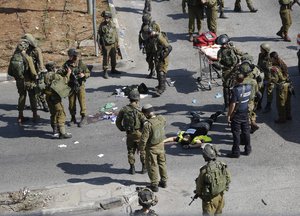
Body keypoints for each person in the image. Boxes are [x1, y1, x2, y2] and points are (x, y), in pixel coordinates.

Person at [8, 37, 40, 124]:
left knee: (22, 97)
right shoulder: (28, 57)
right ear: (26, 48)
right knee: (32, 97)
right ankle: (34, 115)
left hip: (19, 81)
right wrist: (36, 77)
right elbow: (33, 72)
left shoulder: (14, 56)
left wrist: (17, 77)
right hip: (29, 81)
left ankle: (20, 116)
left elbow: (10, 71)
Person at [194, 143, 231, 216]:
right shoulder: (221, 165)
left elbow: (199, 185)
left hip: (210, 200)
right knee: (218, 213)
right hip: (221, 196)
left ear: (205, 156)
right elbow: (229, 178)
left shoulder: (204, 170)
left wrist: (198, 193)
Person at [116, 89, 147, 175]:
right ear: (137, 99)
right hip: (139, 133)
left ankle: (132, 168)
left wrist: (122, 128)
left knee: (130, 151)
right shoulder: (139, 110)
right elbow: (145, 122)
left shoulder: (124, 109)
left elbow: (118, 122)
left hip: (129, 133)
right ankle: (144, 168)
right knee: (142, 150)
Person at [139, 104, 167, 192]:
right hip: (161, 145)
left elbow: (144, 140)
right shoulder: (161, 119)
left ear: (146, 114)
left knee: (152, 166)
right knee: (162, 163)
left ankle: (154, 185)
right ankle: (164, 181)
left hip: (152, 148)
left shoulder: (148, 125)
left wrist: (141, 149)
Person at [43, 62, 72, 139]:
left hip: (48, 97)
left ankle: (55, 130)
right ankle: (62, 132)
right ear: (52, 68)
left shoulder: (45, 75)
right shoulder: (55, 75)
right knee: (61, 113)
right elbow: (65, 80)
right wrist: (68, 73)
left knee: (53, 113)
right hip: (55, 98)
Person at [21, 33, 49, 113]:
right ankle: (35, 103)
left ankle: (44, 104)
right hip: (28, 71)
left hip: (36, 71)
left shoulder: (37, 49)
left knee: (38, 88)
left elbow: (40, 62)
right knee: (30, 88)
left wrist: (40, 72)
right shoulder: (27, 49)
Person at [63, 48, 90, 127]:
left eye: (73, 56)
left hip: (80, 85)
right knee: (71, 103)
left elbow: (88, 72)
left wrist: (84, 75)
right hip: (71, 86)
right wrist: (67, 73)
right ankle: (73, 118)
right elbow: (62, 74)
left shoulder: (81, 64)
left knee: (82, 102)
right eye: (71, 56)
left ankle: (83, 117)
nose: (72, 58)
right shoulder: (67, 64)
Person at [216, 34, 244, 111]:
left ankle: (238, 102)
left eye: (225, 44)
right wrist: (217, 65)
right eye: (222, 45)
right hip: (227, 70)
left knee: (238, 86)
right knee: (226, 88)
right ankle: (227, 104)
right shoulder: (220, 52)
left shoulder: (232, 48)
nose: (224, 46)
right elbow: (218, 62)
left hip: (236, 68)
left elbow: (241, 54)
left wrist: (244, 60)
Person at [142, 27, 172, 96]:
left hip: (163, 57)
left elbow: (169, 47)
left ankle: (161, 89)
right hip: (157, 57)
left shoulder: (159, 37)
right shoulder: (150, 38)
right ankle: (161, 85)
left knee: (161, 72)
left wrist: (163, 56)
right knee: (158, 72)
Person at [227, 73, 252, 158]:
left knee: (236, 133)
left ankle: (236, 152)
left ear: (235, 80)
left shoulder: (235, 90)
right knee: (246, 131)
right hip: (245, 112)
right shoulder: (248, 87)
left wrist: (229, 115)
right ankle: (248, 149)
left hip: (237, 114)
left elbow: (233, 104)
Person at [238, 61, 261, 133]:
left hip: (242, 102)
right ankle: (253, 122)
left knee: (244, 116)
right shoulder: (253, 81)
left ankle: (247, 128)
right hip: (251, 101)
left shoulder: (239, 81)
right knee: (251, 112)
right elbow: (258, 93)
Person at [269, 52, 292, 123]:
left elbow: (275, 79)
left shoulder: (274, 68)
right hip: (288, 85)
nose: (270, 59)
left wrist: (270, 80)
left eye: (270, 58)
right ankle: (288, 115)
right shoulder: (282, 62)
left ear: (273, 58)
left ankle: (282, 118)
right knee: (287, 101)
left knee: (280, 103)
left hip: (281, 87)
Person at [97, 11, 120, 79]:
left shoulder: (113, 24)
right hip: (106, 45)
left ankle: (113, 69)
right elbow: (99, 36)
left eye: (108, 18)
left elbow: (115, 33)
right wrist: (100, 45)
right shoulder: (102, 25)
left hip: (113, 44)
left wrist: (117, 42)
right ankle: (105, 71)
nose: (106, 19)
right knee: (105, 58)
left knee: (113, 57)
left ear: (110, 18)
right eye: (105, 18)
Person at [138, 13, 161, 78]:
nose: (145, 23)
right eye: (144, 21)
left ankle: (159, 74)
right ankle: (151, 71)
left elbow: (159, 34)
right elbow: (141, 35)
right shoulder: (143, 25)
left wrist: (155, 33)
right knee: (149, 59)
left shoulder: (155, 25)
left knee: (157, 60)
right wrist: (140, 44)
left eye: (146, 21)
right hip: (147, 45)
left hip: (155, 45)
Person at [257, 43, 272, 111]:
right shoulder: (260, 55)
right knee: (260, 90)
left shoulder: (270, 58)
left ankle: (268, 106)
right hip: (262, 76)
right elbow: (258, 65)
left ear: (266, 50)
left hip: (269, 77)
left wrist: (270, 79)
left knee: (269, 92)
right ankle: (259, 104)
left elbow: (271, 69)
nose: (260, 50)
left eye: (262, 49)